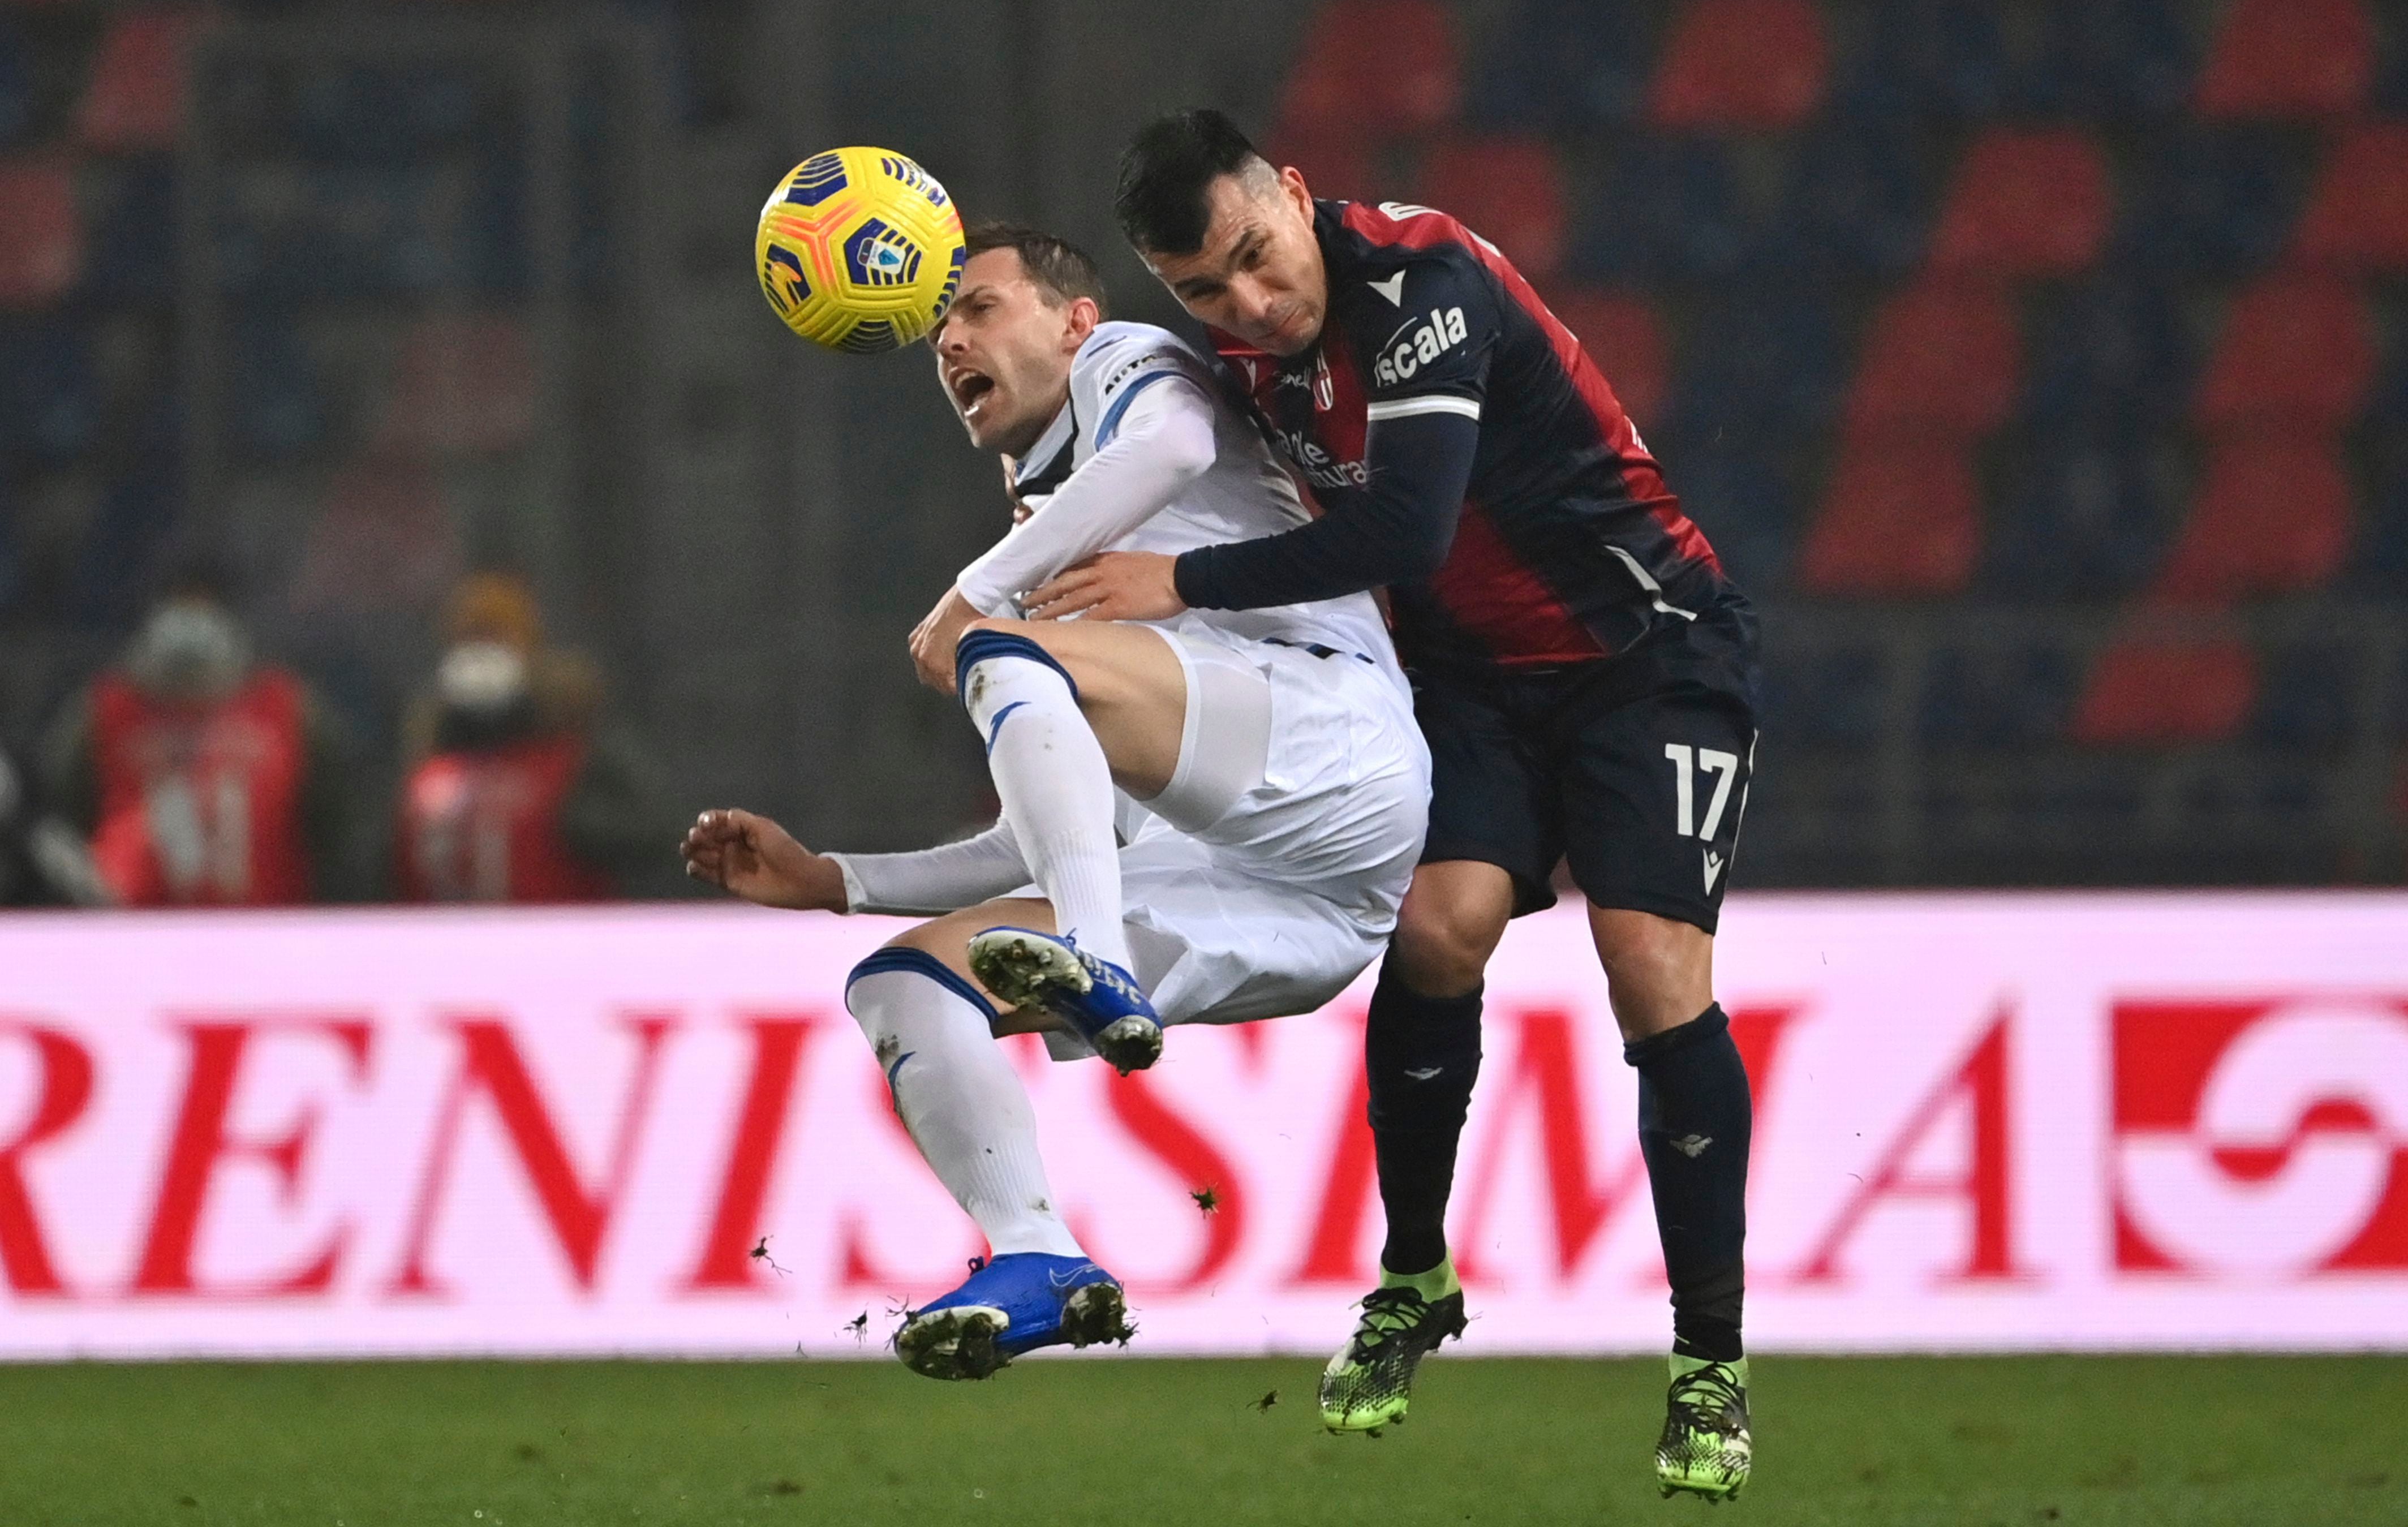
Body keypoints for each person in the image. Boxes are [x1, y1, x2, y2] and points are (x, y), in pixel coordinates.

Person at [1037, 110, 1761, 1498]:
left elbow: (1405, 531)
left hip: (1648, 652)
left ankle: (1708, 1361)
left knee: (1650, 967)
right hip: (1476, 681)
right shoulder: (1234, 363)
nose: (1249, 303)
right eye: (1203, 290)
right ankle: (1416, 1277)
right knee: (1434, 933)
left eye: (1257, 256)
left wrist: (1172, 589)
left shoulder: (1427, 286)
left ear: (1298, 194)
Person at [682, 222, 1429, 1380]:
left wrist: (977, 595)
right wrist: (838, 883)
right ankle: (1038, 1255)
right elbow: (1046, 833)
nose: (950, 340)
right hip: (1292, 911)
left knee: (1004, 654)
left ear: (1072, 319)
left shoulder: (1126, 363)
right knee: (904, 987)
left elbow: (1177, 448)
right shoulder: (1049, 525)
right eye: (939, 328)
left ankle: (1095, 961)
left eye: (979, 307)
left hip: (1339, 758)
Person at [40, 569, 367, 906]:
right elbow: (58, 824)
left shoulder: (288, 709)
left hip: (267, 927)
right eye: (180, 607)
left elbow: (339, 827)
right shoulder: (103, 713)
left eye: (204, 609)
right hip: (129, 930)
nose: (190, 629)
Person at [394, 572, 670, 902]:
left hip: (557, 943)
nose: (481, 657)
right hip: (437, 945)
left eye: (495, 638)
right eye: (471, 639)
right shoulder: (428, 759)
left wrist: (575, 823)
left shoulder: (575, 753)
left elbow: (652, 836)